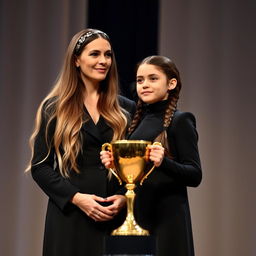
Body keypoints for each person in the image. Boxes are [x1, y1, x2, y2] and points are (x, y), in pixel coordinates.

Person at [25, 28, 136, 256]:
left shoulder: (126, 108)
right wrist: (77, 198)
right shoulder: (55, 108)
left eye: (108, 55)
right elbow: (40, 167)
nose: (103, 61)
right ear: (76, 60)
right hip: (69, 218)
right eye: (95, 54)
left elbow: (137, 165)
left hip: (113, 216)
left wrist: (125, 198)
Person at [101, 55, 202, 256]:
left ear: (171, 83)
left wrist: (163, 162)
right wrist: (115, 165)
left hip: (168, 218)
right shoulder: (135, 122)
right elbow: (136, 177)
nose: (144, 85)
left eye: (153, 78)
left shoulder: (180, 121)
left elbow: (195, 175)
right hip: (138, 214)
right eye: (140, 80)